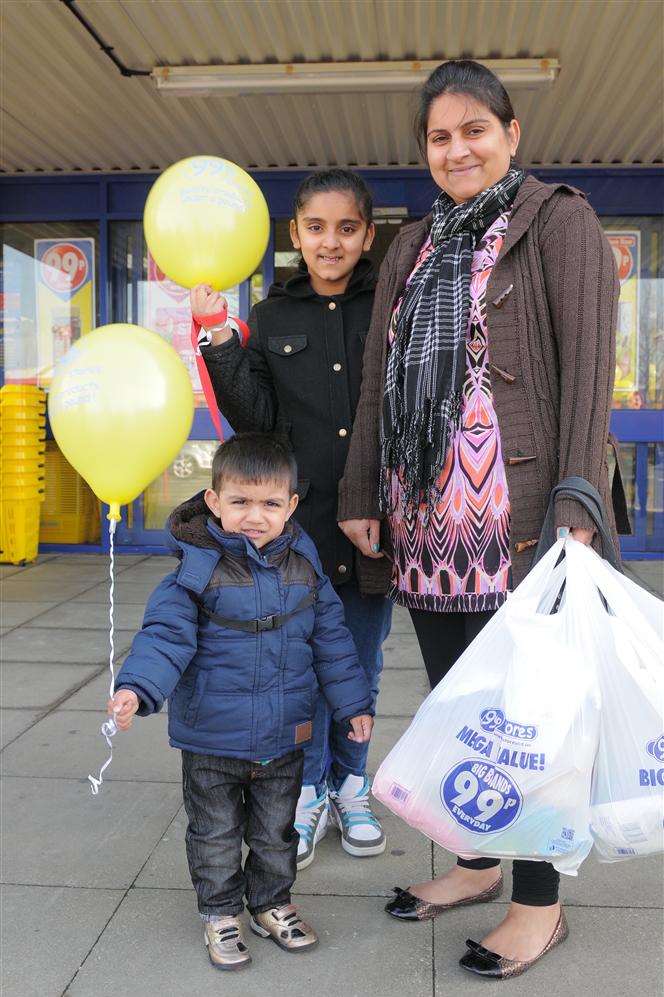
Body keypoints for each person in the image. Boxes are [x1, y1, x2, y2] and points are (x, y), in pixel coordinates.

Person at [338, 60, 628, 980]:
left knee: (528, 718)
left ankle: (538, 907)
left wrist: (578, 498)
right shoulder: (414, 243)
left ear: (511, 134)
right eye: (438, 135)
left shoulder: (559, 221)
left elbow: (589, 369)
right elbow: (382, 381)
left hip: (522, 513)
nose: (457, 148)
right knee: (459, 706)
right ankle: (475, 860)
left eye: (475, 129)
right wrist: (360, 492)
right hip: (428, 516)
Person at [107, 433, 375, 972]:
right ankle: (220, 913)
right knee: (215, 833)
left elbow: (333, 643)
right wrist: (137, 688)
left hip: (285, 734)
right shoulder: (194, 571)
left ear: (291, 506)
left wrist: (353, 705)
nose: (255, 516)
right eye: (241, 502)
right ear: (214, 501)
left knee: (279, 831)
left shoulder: (304, 567)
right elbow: (164, 637)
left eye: (271, 504)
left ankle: (272, 904)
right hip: (211, 737)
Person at [190, 169, 392, 869]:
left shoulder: (391, 303)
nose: (329, 242)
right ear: (294, 235)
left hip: (371, 527)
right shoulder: (273, 316)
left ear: (367, 234)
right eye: (315, 228)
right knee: (303, 672)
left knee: (357, 670)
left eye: (345, 228)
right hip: (298, 536)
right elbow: (258, 416)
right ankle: (307, 793)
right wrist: (218, 336)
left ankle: (352, 786)